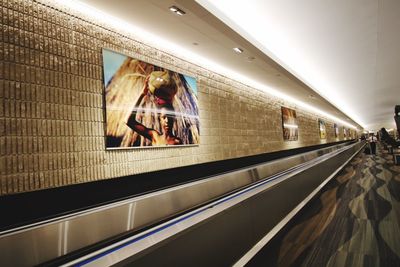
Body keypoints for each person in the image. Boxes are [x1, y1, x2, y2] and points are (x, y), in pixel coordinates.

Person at [126, 71, 182, 146]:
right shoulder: (155, 136)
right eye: (164, 117)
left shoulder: (177, 142)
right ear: (160, 119)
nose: (167, 121)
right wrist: (143, 94)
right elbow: (128, 121)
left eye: (169, 117)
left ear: (173, 118)